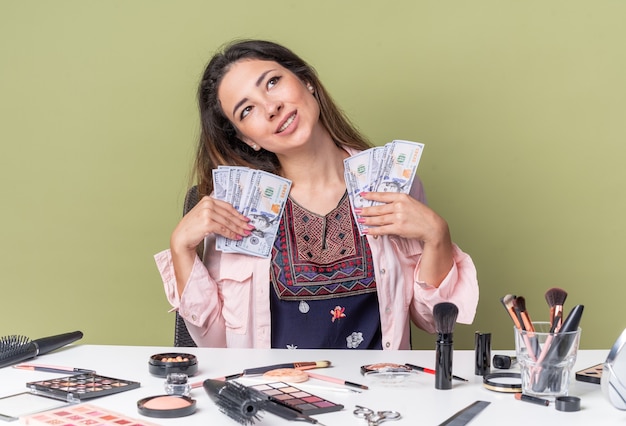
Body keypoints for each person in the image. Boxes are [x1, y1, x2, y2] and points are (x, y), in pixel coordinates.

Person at [155, 39, 479, 350]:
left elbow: (433, 322)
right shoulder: (237, 206)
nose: (271, 107)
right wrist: (181, 248)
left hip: (377, 395)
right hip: (275, 392)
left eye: (272, 82)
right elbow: (218, 344)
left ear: (307, 81)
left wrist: (438, 236)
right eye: (247, 110)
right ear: (246, 139)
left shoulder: (389, 181)